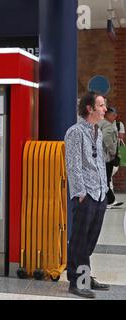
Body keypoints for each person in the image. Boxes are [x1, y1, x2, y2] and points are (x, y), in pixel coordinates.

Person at [64, 91, 110, 298]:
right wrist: (80, 192)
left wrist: (105, 188)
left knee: (90, 239)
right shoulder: (75, 132)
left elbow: (99, 162)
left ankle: (85, 274)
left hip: (100, 193)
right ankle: (77, 281)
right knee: (80, 240)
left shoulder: (97, 131)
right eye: (101, 105)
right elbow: (73, 165)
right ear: (89, 108)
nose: (105, 109)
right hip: (85, 194)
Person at [98, 106, 123, 208]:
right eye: (113, 115)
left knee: (104, 179)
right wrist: (113, 152)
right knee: (106, 179)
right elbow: (107, 139)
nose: (115, 117)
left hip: (99, 156)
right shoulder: (108, 125)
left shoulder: (99, 123)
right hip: (106, 157)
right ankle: (108, 201)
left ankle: (109, 200)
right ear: (107, 114)